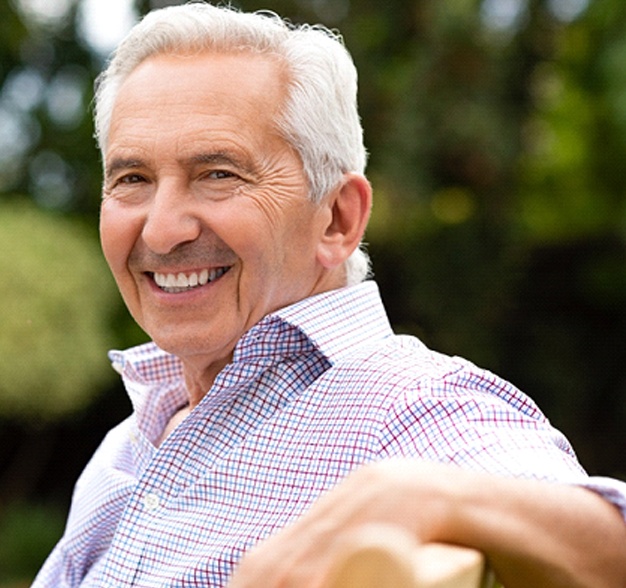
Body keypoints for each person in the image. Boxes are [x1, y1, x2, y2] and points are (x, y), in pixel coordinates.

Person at [33, 3, 626, 587]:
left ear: (338, 219)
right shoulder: (131, 440)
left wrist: (435, 496)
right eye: (132, 178)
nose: (162, 230)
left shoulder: (415, 411)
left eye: (219, 174)